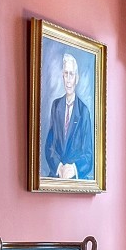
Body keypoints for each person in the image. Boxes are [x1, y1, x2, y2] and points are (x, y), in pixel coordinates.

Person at [43, 50, 95, 181]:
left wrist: (73, 168)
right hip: (57, 175)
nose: (68, 80)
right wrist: (59, 167)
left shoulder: (83, 111)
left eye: (71, 74)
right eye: (66, 74)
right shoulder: (56, 106)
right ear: (62, 76)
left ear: (76, 78)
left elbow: (89, 156)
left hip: (76, 178)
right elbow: (49, 146)